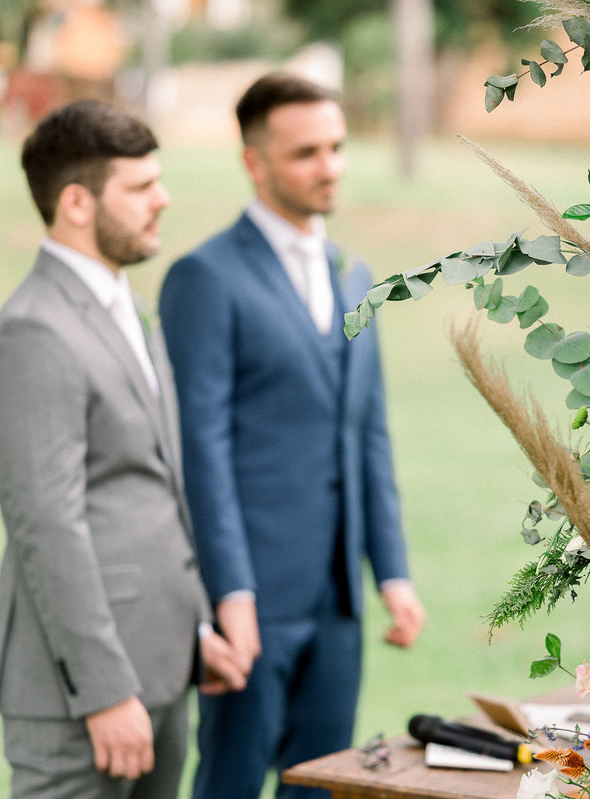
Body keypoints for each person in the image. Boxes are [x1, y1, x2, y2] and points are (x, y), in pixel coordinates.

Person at [158, 73, 427, 799]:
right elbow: (200, 448)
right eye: (306, 152)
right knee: (232, 781)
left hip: (338, 599)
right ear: (255, 161)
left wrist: (392, 574)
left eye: (336, 147)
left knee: (322, 785)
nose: (329, 166)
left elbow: (368, 434)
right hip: (253, 596)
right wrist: (231, 592)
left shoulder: (357, 276)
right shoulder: (204, 277)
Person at [0, 99, 249, 799]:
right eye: (140, 186)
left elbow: (148, 488)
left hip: (162, 668)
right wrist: (103, 692)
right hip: (82, 696)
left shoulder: (125, 305)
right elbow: (48, 526)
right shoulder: (34, 331)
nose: (164, 200)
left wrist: (192, 629)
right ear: (76, 202)